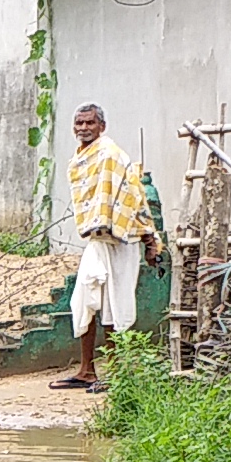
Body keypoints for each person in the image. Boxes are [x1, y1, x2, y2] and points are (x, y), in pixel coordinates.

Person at [54, 102, 166, 391]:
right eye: (79, 123)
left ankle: (116, 373)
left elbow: (135, 198)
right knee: (84, 299)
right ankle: (87, 370)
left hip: (122, 240)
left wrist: (150, 240)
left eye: (90, 123)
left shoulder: (112, 156)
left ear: (101, 126)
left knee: (114, 305)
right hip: (96, 240)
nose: (83, 128)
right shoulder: (80, 159)